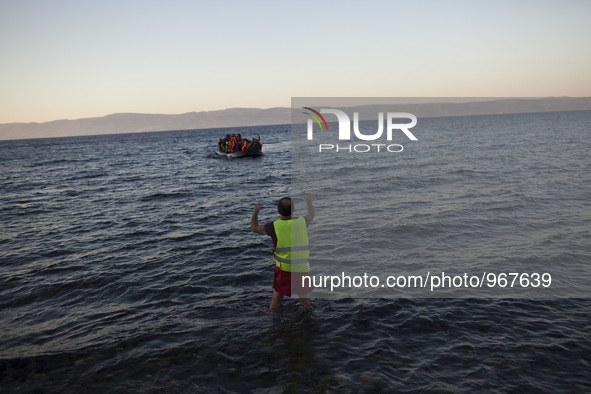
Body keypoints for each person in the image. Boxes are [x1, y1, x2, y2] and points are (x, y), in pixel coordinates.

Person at [251, 194, 314, 310]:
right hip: (302, 269)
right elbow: (311, 215)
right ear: (294, 210)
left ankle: (274, 324)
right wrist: (309, 203)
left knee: (276, 302)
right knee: (306, 303)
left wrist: (256, 212)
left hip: (284, 270)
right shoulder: (302, 222)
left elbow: (254, 228)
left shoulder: (274, 226)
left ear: (278, 210)